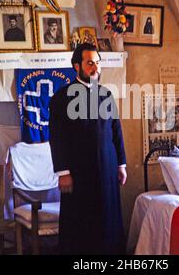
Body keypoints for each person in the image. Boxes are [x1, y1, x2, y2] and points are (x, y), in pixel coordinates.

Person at [49, 43, 127, 255]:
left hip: (108, 168)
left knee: (108, 220)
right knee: (80, 224)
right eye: (90, 63)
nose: (96, 68)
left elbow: (116, 130)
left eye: (98, 63)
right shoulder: (61, 98)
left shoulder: (106, 95)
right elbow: (57, 138)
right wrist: (63, 173)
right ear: (77, 66)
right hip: (78, 172)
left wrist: (121, 164)